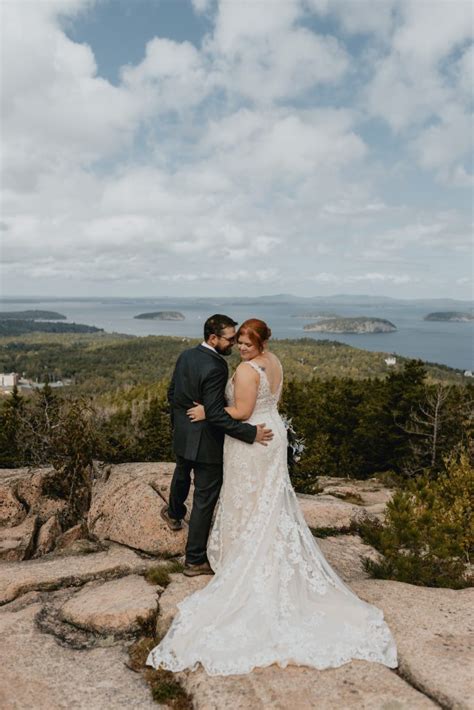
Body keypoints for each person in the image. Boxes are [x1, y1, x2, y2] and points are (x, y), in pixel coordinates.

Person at [147, 318, 398, 675]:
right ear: (214, 337)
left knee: (239, 494)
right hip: (267, 435)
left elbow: (233, 410)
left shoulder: (222, 364)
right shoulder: (272, 362)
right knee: (260, 498)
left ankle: (220, 548)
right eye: (235, 341)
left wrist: (206, 413)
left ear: (259, 343)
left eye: (244, 343)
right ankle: (217, 552)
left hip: (247, 438)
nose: (238, 347)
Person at [160, 314, 273, 577]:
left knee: (181, 471)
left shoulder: (186, 355)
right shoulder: (217, 366)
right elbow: (216, 413)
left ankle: (174, 513)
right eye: (230, 339)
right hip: (207, 441)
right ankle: (194, 560)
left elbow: (172, 394)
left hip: (184, 433)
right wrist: (249, 433)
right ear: (213, 338)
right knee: (204, 499)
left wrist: (183, 422)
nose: (234, 344)